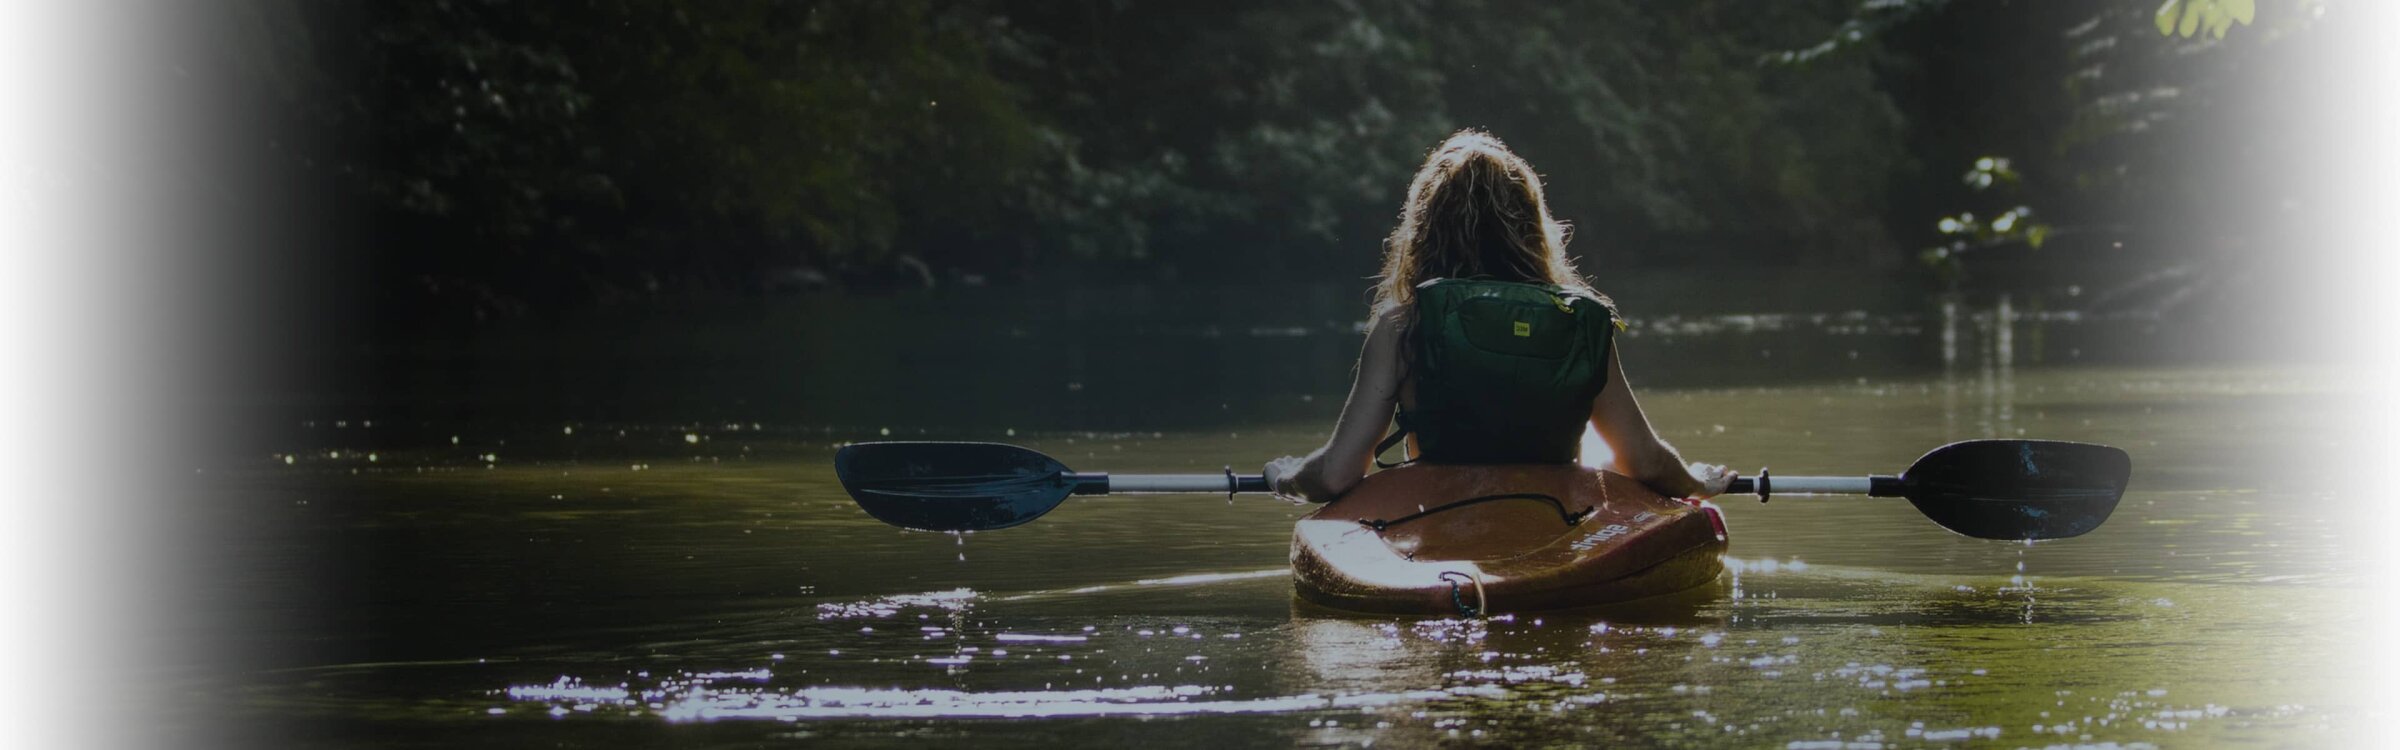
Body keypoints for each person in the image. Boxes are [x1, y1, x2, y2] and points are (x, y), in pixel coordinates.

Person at [1264, 129, 1736, 503]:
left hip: (1436, 516)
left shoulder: (1403, 326)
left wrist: (1287, 477)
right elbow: (1646, 463)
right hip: (1554, 518)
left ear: (1425, 230)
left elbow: (1336, 475)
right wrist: (1694, 481)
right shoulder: (1579, 323)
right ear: (1532, 226)